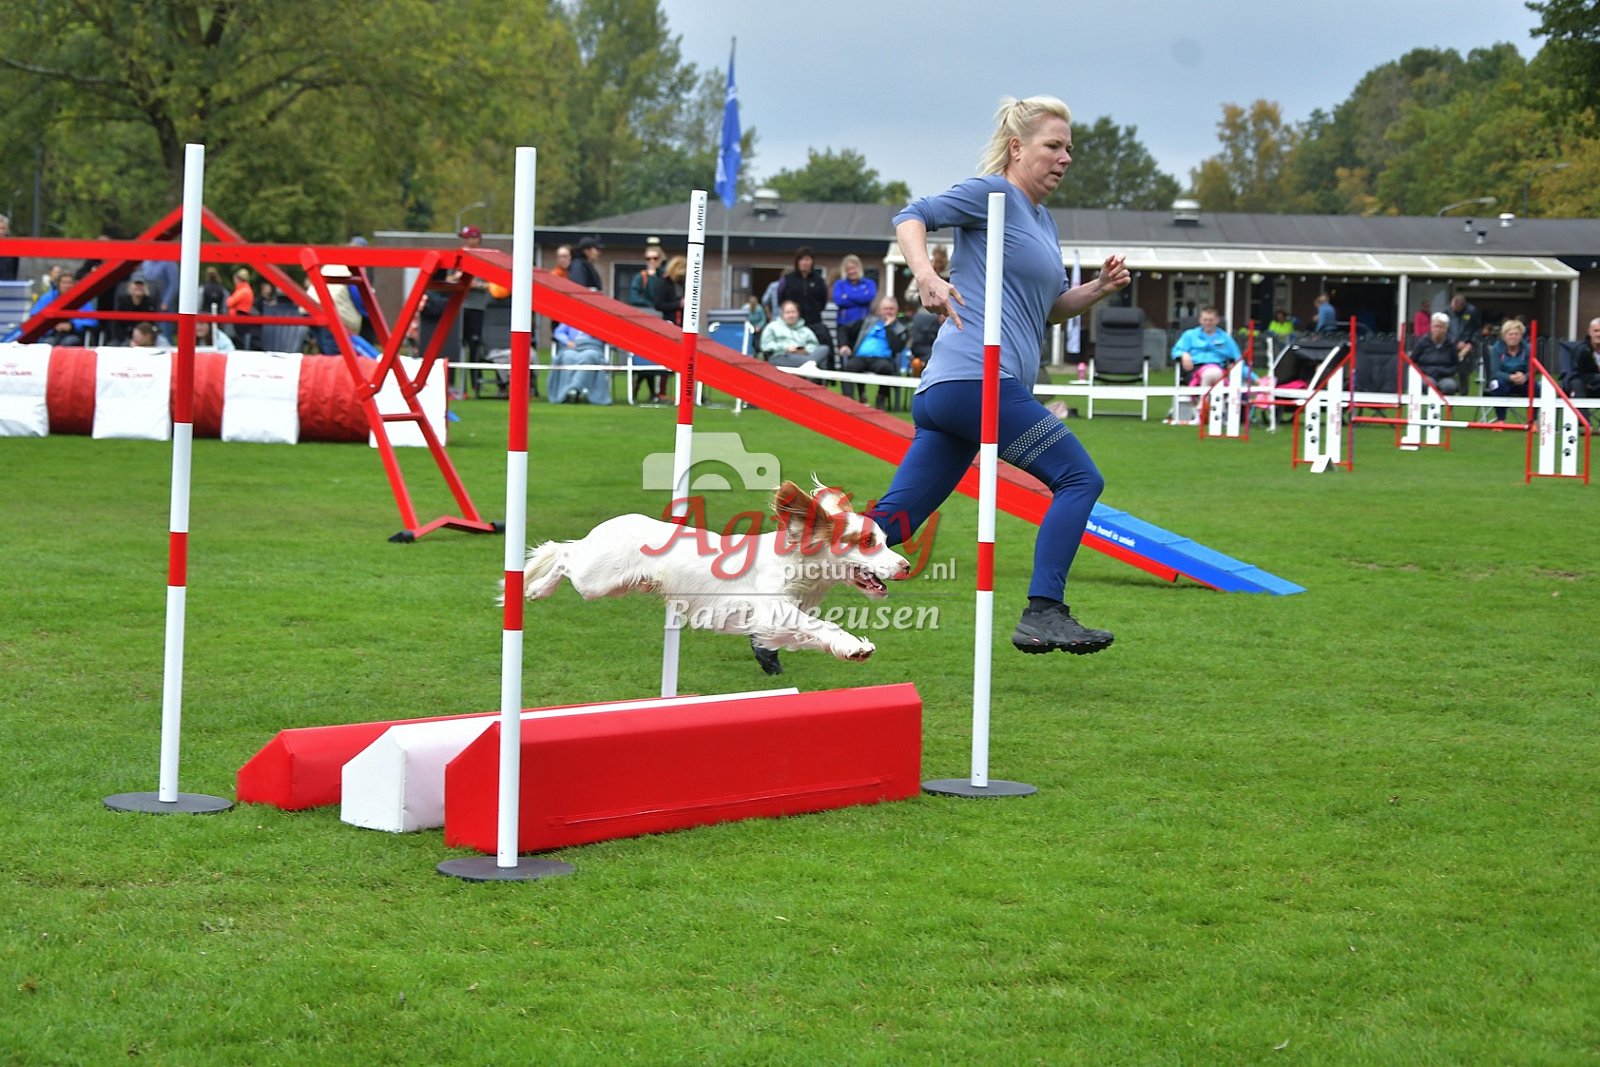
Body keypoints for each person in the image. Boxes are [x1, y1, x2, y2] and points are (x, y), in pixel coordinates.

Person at [857, 94, 1130, 665]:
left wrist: (1099, 290)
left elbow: (1048, 309)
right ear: (1016, 148)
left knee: (889, 527)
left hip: (954, 395)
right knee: (1080, 479)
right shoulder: (991, 193)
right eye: (1053, 146)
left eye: (1069, 149)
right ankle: (1044, 612)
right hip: (975, 381)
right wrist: (926, 276)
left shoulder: (1043, 221)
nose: (1065, 158)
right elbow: (910, 215)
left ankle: (775, 585)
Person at [839, 295, 908, 408]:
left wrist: (888, 327)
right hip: (861, 357)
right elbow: (844, 329)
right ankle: (848, 400)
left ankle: (881, 398)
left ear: (896, 310)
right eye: (886, 309)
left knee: (886, 369)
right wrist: (844, 345)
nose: (888, 312)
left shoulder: (900, 328)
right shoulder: (868, 322)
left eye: (891, 309)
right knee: (849, 367)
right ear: (880, 310)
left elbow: (897, 347)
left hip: (882, 359)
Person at [449, 225, 491, 396]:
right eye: (464, 238)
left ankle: (475, 385)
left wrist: (474, 285)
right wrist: (456, 278)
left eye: (468, 238)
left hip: (476, 308)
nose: (465, 241)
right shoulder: (460, 257)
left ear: (477, 239)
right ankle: (456, 386)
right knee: (457, 345)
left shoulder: (485, 258)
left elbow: (490, 284)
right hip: (460, 307)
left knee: (474, 346)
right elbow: (450, 278)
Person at [624, 240, 668, 402]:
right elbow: (634, 297)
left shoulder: (664, 277)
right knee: (644, 354)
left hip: (661, 321)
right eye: (648, 258)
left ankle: (657, 391)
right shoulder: (640, 277)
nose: (651, 261)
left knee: (659, 355)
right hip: (645, 320)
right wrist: (652, 305)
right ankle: (647, 390)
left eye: (655, 258)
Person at [776, 246, 831, 364]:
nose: (805, 263)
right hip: (793, 325)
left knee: (825, 339)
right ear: (797, 262)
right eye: (802, 260)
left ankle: (829, 371)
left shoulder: (819, 281)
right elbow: (780, 300)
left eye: (807, 259)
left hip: (814, 322)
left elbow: (823, 301)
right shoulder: (787, 280)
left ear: (812, 262)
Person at [547, 322, 613, 405]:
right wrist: (567, 341)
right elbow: (558, 332)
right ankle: (566, 392)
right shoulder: (571, 319)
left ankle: (574, 388)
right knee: (567, 357)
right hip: (571, 347)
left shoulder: (600, 319)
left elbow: (608, 334)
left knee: (588, 356)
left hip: (592, 346)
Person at [1483, 318, 1534, 422]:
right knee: (1498, 385)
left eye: (1516, 334)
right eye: (1510, 334)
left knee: (1535, 387)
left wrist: (1524, 377)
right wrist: (1511, 377)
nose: (1513, 337)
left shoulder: (1528, 349)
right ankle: (1501, 419)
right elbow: (1495, 372)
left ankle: (1532, 421)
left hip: (1522, 382)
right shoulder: (1497, 349)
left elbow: (1532, 370)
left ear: (1521, 336)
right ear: (1504, 336)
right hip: (1502, 381)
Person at [1409, 311, 1466, 394]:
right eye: (1436, 326)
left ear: (1446, 329)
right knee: (1429, 384)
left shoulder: (1451, 344)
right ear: (1431, 327)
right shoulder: (1423, 342)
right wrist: (1423, 371)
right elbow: (1412, 361)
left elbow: (1456, 365)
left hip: (1445, 376)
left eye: (1441, 327)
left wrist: (1445, 371)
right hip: (1427, 375)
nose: (1438, 330)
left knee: (1450, 386)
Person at [831, 254, 877, 353]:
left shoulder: (869, 283)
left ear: (859, 268)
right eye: (848, 269)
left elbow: (868, 298)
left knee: (861, 352)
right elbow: (839, 300)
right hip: (844, 324)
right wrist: (860, 295)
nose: (851, 271)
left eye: (853, 268)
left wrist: (847, 295)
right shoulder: (839, 284)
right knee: (844, 352)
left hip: (863, 325)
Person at [758, 300, 822, 367]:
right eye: (787, 312)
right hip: (781, 356)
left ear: (798, 314)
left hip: (803, 355)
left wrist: (805, 350)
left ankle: (809, 363)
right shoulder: (772, 327)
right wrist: (785, 348)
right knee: (810, 360)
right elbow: (766, 346)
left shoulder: (805, 330)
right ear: (782, 314)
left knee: (824, 349)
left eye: (793, 312)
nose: (791, 315)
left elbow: (814, 345)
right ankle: (810, 363)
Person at [110, 271, 157, 344]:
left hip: (144, 339)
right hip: (123, 338)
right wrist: (127, 341)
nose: (139, 287)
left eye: (141, 284)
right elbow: (116, 325)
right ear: (130, 285)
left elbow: (151, 325)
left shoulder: (150, 303)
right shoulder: (122, 301)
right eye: (136, 284)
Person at [1558, 317, 1600, 398]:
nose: (1599, 334)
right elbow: (1576, 373)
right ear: (1589, 332)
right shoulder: (1582, 350)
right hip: (1583, 382)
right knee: (1577, 383)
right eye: (1596, 331)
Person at [903, 243, 950, 309]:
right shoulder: (924, 272)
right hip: (926, 310)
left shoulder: (951, 273)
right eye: (937, 261)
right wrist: (922, 297)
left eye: (941, 262)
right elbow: (909, 295)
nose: (938, 265)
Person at [227, 267, 257, 349]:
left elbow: (230, 302)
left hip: (240, 316)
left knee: (240, 339)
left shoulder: (242, 291)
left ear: (238, 279)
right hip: (242, 315)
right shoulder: (245, 289)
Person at [0, 213, 18, 282]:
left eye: (3, 228)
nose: (1, 231)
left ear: (7, 230)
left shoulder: (13, 246)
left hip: (7, 284)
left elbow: (15, 269)